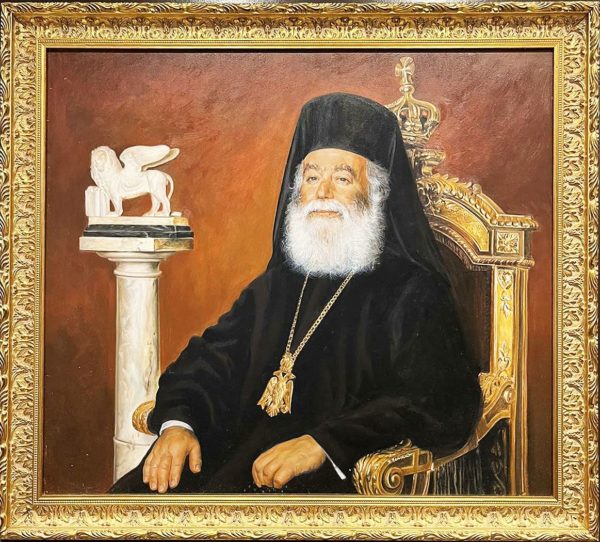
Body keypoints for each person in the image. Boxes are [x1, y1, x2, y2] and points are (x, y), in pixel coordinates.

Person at [109, 92, 483, 494]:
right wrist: (178, 424)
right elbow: (211, 356)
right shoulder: (282, 281)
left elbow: (440, 400)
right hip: (233, 458)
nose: (322, 193)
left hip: (327, 482)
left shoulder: (413, 290)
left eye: (342, 178)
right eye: (311, 177)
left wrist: (325, 444)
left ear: (376, 193)